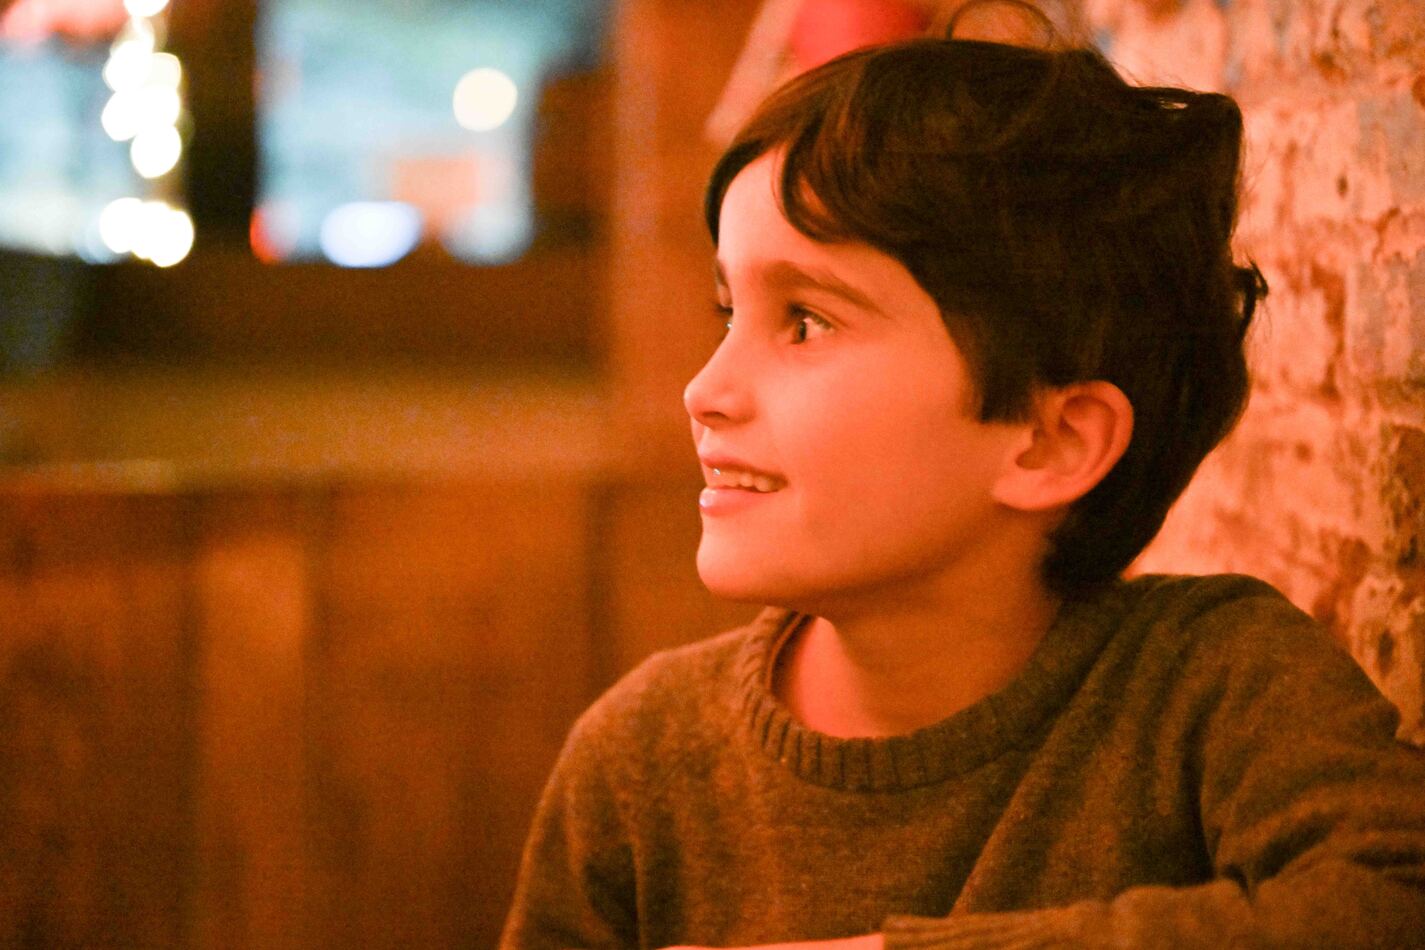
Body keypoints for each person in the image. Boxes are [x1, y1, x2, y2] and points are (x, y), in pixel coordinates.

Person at [500, 22, 1425, 950]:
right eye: (727, 312)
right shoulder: (639, 759)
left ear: (1051, 443)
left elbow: (1389, 903)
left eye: (807, 322)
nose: (704, 391)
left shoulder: (1211, 685)